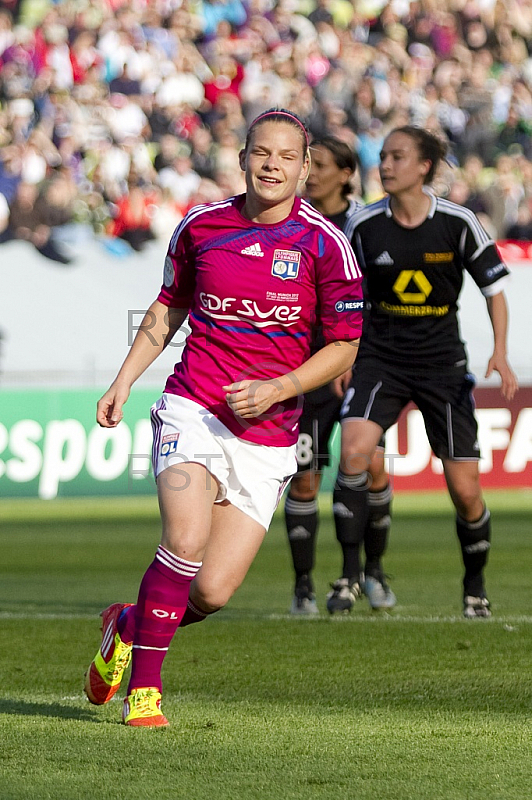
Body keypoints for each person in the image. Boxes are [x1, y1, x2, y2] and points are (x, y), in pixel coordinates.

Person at [84, 108, 364, 727]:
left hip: (269, 433)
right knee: (183, 542)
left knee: (210, 592)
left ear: (304, 167)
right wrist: (123, 381)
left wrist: (279, 388)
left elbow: (345, 344)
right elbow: (167, 309)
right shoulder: (201, 225)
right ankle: (146, 694)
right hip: (194, 408)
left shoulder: (326, 244)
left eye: (287, 157)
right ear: (242, 159)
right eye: (261, 153)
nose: (272, 165)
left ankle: (126, 624)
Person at [338, 125, 518, 619]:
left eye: (398, 157)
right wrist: (341, 354)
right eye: (384, 157)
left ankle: (475, 586)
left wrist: (500, 352)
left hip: (442, 366)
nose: (386, 165)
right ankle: (350, 576)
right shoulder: (363, 225)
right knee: (353, 453)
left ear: (423, 167)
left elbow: (494, 291)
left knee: (465, 492)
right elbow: (343, 298)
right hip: (380, 361)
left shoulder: (458, 223)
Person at [284, 136, 396, 616]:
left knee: (369, 467)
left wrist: (356, 356)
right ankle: (304, 585)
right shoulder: (289, 220)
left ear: (346, 173)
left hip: (359, 366)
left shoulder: (368, 224)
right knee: (305, 479)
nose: (311, 172)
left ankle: (367, 572)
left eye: (321, 165)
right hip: (303, 368)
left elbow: (375, 300)